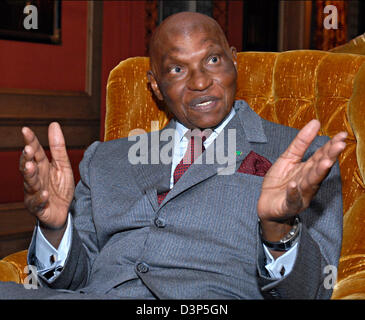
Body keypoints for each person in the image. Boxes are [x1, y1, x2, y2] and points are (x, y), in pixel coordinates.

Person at [1, 12, 347, 299]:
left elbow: (313, 292)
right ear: (155, 86)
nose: (200, 82)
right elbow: (73, 278)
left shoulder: (306, 157)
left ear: (234, 60)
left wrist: (278, 227)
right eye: (177, 69)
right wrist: (56, 227)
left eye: (212, 60)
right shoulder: (104, 159)